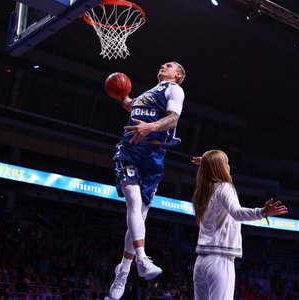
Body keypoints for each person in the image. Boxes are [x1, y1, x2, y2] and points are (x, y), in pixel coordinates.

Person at [109, 61, 186, 300]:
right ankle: (141, 258)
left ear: (178, 75)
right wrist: (120, 93)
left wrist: (150, 127)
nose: (164, 65)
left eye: (170, 65)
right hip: (130, 151)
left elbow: (172, 119)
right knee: (133, 203)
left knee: (140, 215)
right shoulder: (145, 94)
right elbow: (129, 104)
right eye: (164, 63)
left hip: (153, 155)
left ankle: (123, 269)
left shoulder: (173, 90)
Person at [191, 150, 289, 300]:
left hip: (200, 263)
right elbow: (237, 213)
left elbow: (208, 170)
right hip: (219, 260)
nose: (229, 166)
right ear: (220, 167)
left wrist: (206, 162)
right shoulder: (225, 187)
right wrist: (262, 212)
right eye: (226, 163)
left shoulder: (203, 191)